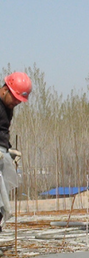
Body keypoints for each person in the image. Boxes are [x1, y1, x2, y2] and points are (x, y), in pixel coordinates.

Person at [0, 72, 32, 238]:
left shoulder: (8, 108)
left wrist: (9, 150)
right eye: (15, 99)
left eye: (20, 101)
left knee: (2, 203)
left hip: (2, 153)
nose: (16, 103)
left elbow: (3, 131)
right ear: (5, 89)